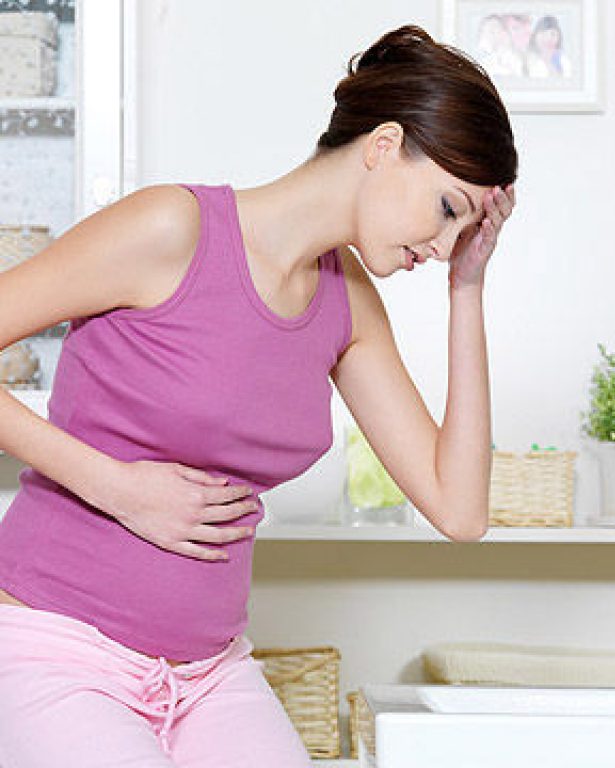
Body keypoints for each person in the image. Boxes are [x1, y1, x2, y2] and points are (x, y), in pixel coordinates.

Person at [0, 23, 517, 767]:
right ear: (383, 146)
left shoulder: (349, 304)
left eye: (463, 229)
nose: (443, 246)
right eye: (446, 208)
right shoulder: (171, 229)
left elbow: (459, 510)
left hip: (209, 674)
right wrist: (117, 488)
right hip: (57, 649)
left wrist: (467, 289)